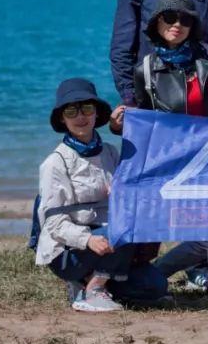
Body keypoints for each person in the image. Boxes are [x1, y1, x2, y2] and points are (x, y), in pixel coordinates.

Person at [109, 0, 208, 299]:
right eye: (169, 17)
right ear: (157, 23)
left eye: (184, 18)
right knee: (177, 231)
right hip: (172, 166)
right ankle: (154, 274)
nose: (176, 24)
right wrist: (118, 125)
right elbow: (142, 119)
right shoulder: (147, 69)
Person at [35, 78, 168, 312]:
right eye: (71, 111)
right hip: (69, 249)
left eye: (87, 108)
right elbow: (53, 223)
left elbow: (129, 201)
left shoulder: (110, 152)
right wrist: (87, 239)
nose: (80, 117)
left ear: (97, 114)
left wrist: (122, 196)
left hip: (111, 242)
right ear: (62, 119)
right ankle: (94, 288)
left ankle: (91, 282)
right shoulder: (55, 163)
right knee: (122, 228)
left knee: (156, 287)